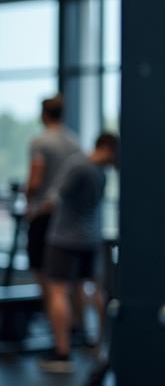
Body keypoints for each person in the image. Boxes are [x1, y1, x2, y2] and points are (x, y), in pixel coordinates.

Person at [39, 132, 119, 373]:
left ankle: (62, 353)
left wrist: (34, 212)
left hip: (64, 238)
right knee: (91, 289)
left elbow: (54, 198)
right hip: (89, 238)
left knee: (57, 291)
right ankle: (98, 344)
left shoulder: (78, 165)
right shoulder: (101, 174)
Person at [24, 95, 80, 299]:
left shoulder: (41, 141)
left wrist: (29, 202)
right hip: (67, 217)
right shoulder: (74, 141)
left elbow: (35, 180)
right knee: (68, 277)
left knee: (45, 275)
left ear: (44, 114)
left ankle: (55, 323)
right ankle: (75, 323)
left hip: (44, 212)